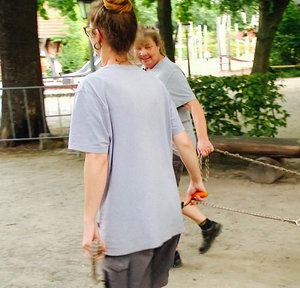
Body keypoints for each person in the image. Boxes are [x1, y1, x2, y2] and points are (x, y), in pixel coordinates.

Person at [68, 0, 206, 287]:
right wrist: (196, 180)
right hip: (166, 223)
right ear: (131, 36)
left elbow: (97, 159)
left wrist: (88, 223)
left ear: (98, 35)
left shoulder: (93, 87)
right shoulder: (153, 83)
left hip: (128, 228)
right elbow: (182, 139)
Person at [134, 25, 222, 267]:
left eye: (148, 47)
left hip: (174, 149)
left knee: (160, 202)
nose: (143, 52)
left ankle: (171, 252)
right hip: (158, 148)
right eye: (138, 48)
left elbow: (194, 105)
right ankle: (206, 226)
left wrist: (202, 138)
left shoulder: (169, 72)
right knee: (163, 199)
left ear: (158, 45)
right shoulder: (146, 71)